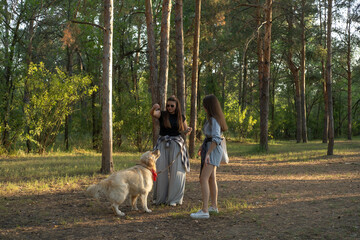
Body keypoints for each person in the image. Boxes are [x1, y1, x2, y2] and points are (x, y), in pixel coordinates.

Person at [190, 94, 228, 219]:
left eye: (204, 105)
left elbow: (216, 138)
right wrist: (202, 146)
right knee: (211, 178)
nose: (203, 107)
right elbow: (210, 136)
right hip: (210, 148)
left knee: (203, 178)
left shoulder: (214, 120)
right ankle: (214, 206)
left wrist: (208, 153)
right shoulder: (212, 119)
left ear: (209, 106)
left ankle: (205, 210)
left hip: (213, 150)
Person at [150, 96, 192, 206]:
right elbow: (153, 114)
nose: (169, 107)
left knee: (177, 171)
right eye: (168, 105)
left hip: (176, 144)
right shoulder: (162, 114)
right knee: (160, 170)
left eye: (172, 106)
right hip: (163, 144)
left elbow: (184, 130)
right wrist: (154, 108)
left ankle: (174, 199)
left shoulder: (181, 117)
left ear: (176, 106)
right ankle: (160, 198)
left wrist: (188, 130)